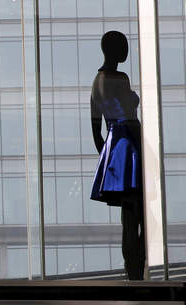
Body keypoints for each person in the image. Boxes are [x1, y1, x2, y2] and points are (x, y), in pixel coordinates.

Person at [90, 31, 145, 280]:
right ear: (113, 49)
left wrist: (106, 151)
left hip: (117, 143)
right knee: (136, 210)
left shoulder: (97, 80)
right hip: (128, 141)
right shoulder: (120, 77)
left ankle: (133, 267)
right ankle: (135, 267)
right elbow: (122, 109)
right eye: (123, 47)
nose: (126, 52)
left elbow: (95, 126)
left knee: (130, 213)